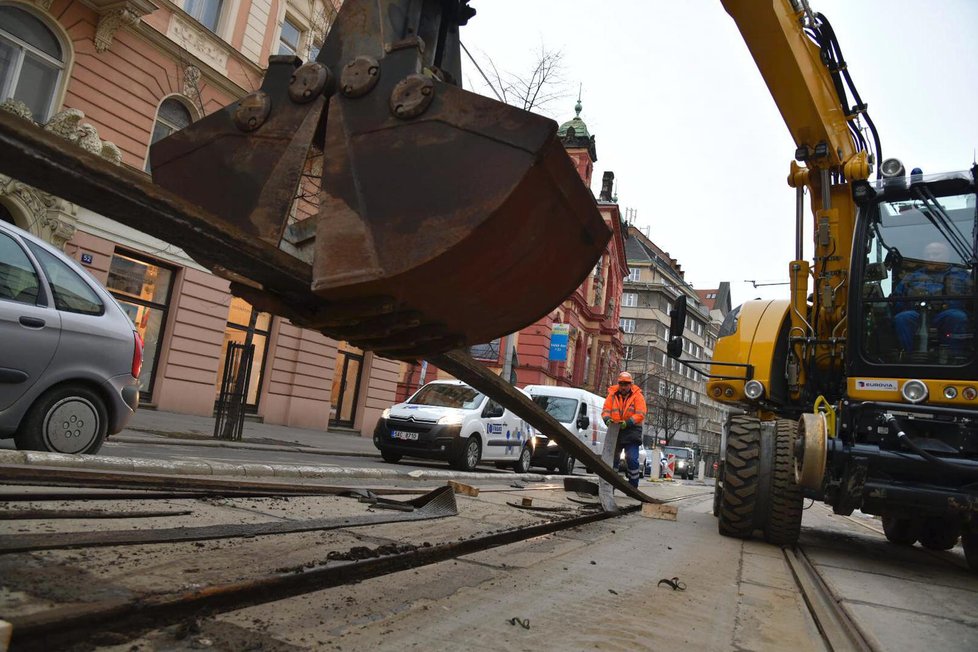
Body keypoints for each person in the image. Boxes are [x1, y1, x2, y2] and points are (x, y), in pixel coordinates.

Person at [892, 241, 972, 353]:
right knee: (902, 318)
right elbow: (897, 300)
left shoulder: (962, 275)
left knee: (958, 317)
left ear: (947, 256)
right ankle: (909, 357)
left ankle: (955, 357)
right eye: (927, 254)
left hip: (947, 315)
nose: (931, 257)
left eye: (936, 254)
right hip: (918, 315)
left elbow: (972, 301)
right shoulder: (912, 277)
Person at [601, 371, 647, 489]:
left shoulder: (638, 396)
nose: (623, 387)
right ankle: (611, 484)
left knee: (631, 458)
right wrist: (607, 420)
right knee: (613, 459)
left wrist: (628, 422)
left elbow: (640, 414)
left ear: (630, 384)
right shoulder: (612, 395)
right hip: (615, 429)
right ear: (619, 384)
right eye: (621, 384)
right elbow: (606, 410)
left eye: (626, 384)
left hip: (632, 429)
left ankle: (633, 485)